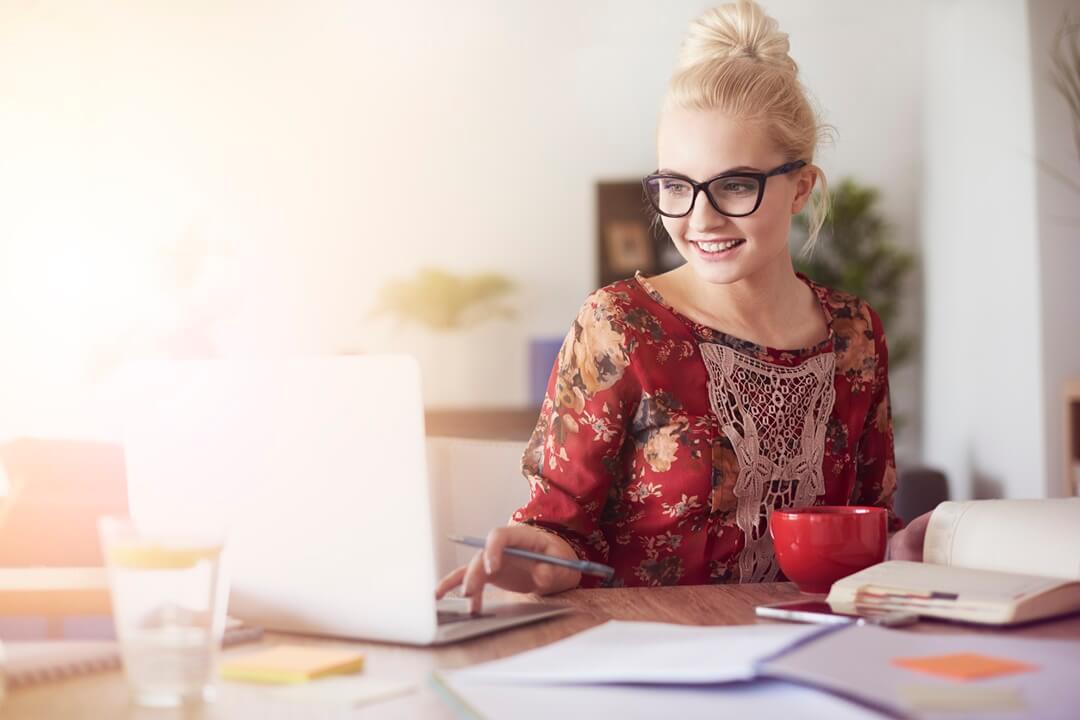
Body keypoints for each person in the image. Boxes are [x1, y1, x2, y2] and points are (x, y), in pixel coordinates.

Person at [437, 0, 928, 614]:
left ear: (801, 187)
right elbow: (560, 533)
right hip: (648, 664)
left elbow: (871, 524)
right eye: (675, 186)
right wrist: (529, 559)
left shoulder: (855, 334)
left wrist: (912, 543)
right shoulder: (619, 327)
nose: (700, 219)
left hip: (812, 659)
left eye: (735, 185)